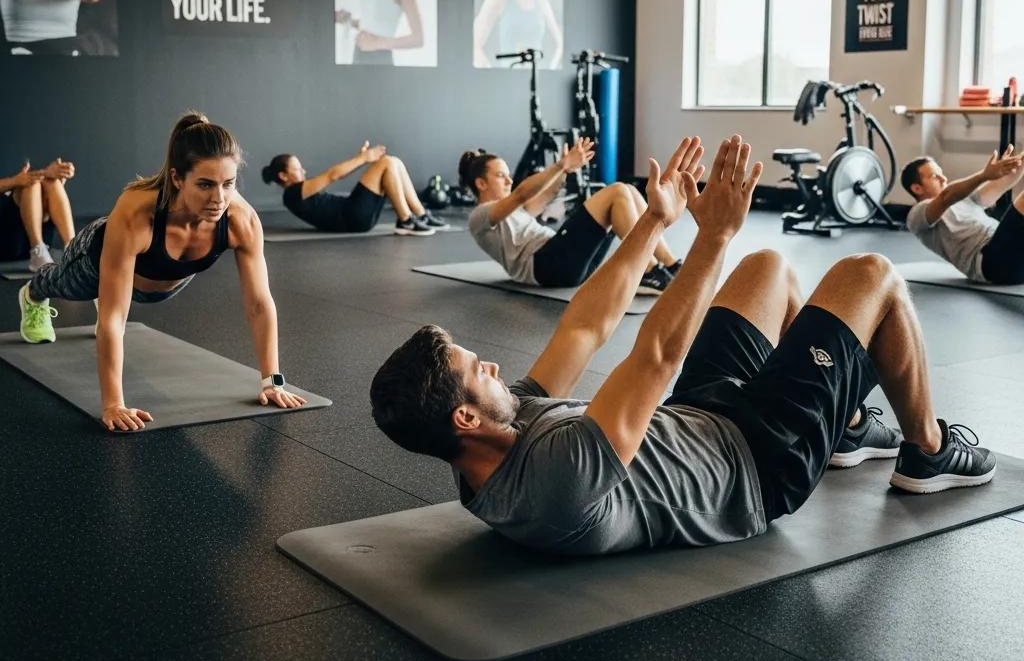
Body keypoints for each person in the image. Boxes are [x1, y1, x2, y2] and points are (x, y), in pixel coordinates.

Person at [371, 134, 995, 556]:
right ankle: (929, 452)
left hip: (705, 415)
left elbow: (584, 327)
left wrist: (653, 221)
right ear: (464, 416)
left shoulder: (493, 435)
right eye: (476, 369)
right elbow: (656, 356)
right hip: (756, 464)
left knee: (769, 267)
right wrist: (712, 238)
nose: (493, 365)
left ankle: (845, 423)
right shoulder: (554, 482)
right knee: (871, 275)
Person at [17, 111, 306, 432]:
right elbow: (113, 320)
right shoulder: (136, 212)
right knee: (62, 284)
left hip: (163, 281)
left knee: (117, 301)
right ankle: (31, 294)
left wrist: (273, 381)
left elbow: (259, 304)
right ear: (177, 178)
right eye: (205, 185)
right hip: (95, 261)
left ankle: (116, 288)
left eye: (228, 184)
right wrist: (113, 404)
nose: (219, 198)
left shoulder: (242, 220)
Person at [459, 140, 680, 293]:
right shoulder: (480, 216)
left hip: (564, 263)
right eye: (500, 176)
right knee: (617, 192)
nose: (508, 180)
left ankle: (669, 265)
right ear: (481, 183)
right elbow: (521, 193)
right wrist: (559, 165)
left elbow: (544, 195)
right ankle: (648, 270)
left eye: (508, 175)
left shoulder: (514, 210)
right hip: (546, 267)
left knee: (629, 190)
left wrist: (565, 170)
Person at [263, 144, 448, 237]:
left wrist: (363, 158)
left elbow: (333, 176)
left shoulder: (297, 192)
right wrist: (363, 158)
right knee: (386, 162)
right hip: (352, 216)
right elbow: (332, 176)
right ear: (283, 176)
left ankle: (420, 215)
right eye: (296, 169)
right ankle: (406, 220)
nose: (303, 170)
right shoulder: (292, 194)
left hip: (354, 214)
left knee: (394, 162)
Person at [902, 146, 1024, 284]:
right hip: (994, 264)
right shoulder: (917, 215)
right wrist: (984, 175)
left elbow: (1003, 183)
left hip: (1014, 255)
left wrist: (1018, 162)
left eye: (941, 173)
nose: (943, 178)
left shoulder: (966, 198)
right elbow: (945, 197)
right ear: (917, 188)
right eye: (934, 176)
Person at [0, 156, 76, 269]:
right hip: (8, 238)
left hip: (38, 240)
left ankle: (73, 250)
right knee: (31, 183)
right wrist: (15, 181)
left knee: (51, 182)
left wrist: (53, 174)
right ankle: (37, 250)